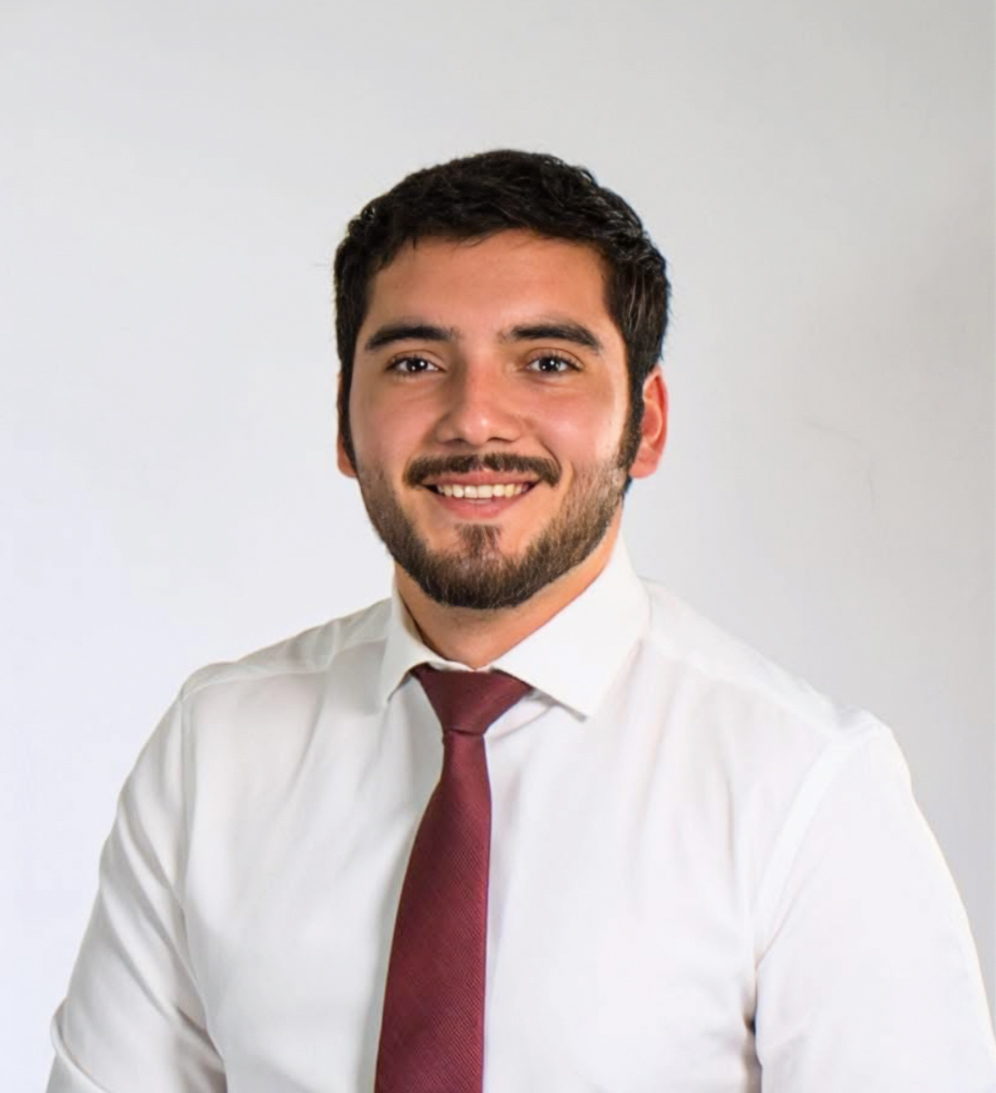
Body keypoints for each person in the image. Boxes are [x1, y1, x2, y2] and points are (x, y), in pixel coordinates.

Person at [48, 150, 996, 1092]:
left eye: (547, 362)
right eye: (417, 362)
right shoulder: (213, 749)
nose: (476, 418)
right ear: (344, 424)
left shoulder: (805, 787)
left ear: (647, 425)